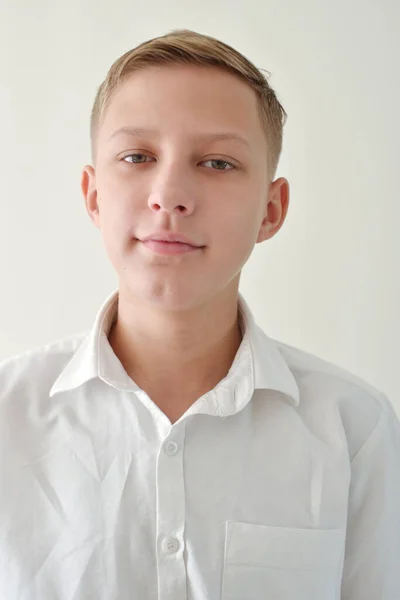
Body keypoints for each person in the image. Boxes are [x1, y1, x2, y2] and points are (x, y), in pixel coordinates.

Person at [0, 28, 399, 600]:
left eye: (216, 162)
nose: (170, 195)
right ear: (93, 195)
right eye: (137, 157)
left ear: (271, 208)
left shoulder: (353, 429)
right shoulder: (7, 420)